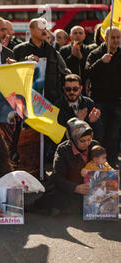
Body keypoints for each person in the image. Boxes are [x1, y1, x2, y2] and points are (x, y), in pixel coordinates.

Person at [34, 118, 99, 215]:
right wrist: (75, 188)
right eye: (82, 141)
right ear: (73, 139)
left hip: (89, 188)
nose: (87, 144)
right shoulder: (63, 149)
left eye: (89, 139)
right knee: (56, 199)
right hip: (69, 187)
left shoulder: (95, 145)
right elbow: (57, 177)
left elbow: (104, 166)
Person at [85, 26, 121, 168]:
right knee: (100, 133)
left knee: (114, 135)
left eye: (118, 37)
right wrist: (101, 62)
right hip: (99, 101)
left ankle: (111, 163)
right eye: (113, 37)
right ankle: (97, 163)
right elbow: (87, 73)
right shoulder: (95, 54)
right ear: (105, 38)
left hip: (117, 102)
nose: (116, 40)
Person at [14, 18, 69, 103]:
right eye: (40, 28)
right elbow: (14, 74)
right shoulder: (19, 50)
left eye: (45, 28)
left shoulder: (53, 51)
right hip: (26, 101)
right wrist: (25, 61)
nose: (44, 31)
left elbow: (64, 73)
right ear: (31, 30)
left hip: (50, 102)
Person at [55, 74, 102, 142]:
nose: (72, 92)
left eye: (75, 89)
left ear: (81, 88)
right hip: (68, 148)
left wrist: (93, 122)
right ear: (64, 89)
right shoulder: (57, 106)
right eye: (68, 89)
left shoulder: (88, 103)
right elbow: (59, 136)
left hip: (87, 145)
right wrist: (78, 122)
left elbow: (99, 134)